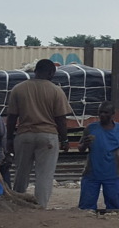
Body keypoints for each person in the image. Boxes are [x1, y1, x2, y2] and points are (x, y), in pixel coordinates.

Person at [5, 59, 71, 208]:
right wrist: (65, 140)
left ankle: (19, 204)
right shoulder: (56, 90)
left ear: (35, 71)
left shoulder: (18, 89)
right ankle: (41, 206)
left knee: (21, 173)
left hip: (24, 136)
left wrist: (9, 139)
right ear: (52, 73)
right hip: (48, 136)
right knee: (44, 175)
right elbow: (61, 120)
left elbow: (12, 118)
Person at [78, 101, 119, 211]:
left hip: (112, 173)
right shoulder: (90, 128)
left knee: (114, 207)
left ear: (112, 114)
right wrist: (85, 144)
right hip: (92, 173)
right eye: (100, 112)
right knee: (86, 207)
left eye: (106, 112)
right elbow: (80, 148)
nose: (102, 115)